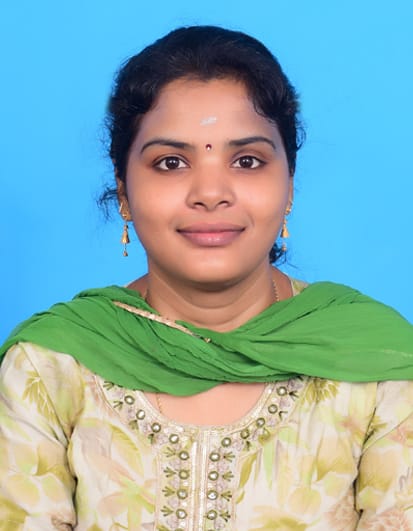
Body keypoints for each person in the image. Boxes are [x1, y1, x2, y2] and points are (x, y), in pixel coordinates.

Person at [1, 25, 413, 530]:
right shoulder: (51, 367)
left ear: (289, 184)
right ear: (124, 190)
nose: (211, 193)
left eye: (247, 161)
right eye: (171, 162)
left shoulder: (377, 365)